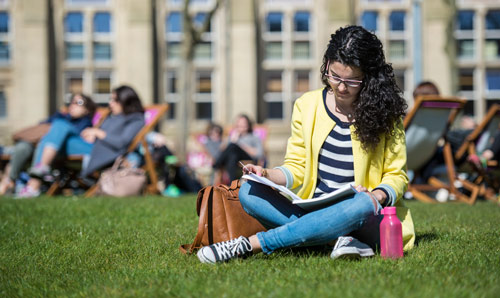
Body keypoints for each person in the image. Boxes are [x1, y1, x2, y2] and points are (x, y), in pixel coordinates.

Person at [197, 25, 415, 264]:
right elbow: (297, 167)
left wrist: (377, 196)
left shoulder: (387, 114)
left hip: (365, 214)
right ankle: (334, 239)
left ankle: (251, 244)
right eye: (335, 76)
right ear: (327, 66)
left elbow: (397, 176)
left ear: (369, 77)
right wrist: (267, 173)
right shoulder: (307, 105)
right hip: (314, 208)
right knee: (248, 190)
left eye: (352, 80)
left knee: (361, 204)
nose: (341, 87)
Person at [17, 85, 144, 198]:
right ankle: (37, 178)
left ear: (126, 101)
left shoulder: (135, 119)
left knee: (60, 126)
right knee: (58, 129)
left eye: (115, 100)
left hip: (103, 154)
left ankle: (35, 181)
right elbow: (101, 135)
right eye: (110, 99)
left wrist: (98, 133)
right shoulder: (112, 116)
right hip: (92, 147)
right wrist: (91, 134)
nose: (110, 103)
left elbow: (122, 143)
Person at [1, 93, 96, 197]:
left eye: (79, 103)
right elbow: (41, 126)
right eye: (71, 102)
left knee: (60, 126)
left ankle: (36, 178)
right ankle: (8, 182)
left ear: (87, 109)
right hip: (51, 149)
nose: (73, 105)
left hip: (80, 149)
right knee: (23, 146)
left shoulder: (86, 123)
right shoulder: (60, 116)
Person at [213, 114, 264, 181]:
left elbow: (259, 154)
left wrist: (239, 144)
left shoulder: (253, 137)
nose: (241, 126)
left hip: (247, 157)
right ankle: (233, 184)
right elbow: (221, 150)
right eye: (239, 124)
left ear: (248, 125)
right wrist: (231, 139)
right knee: (233, 155)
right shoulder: (233, 136)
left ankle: (217, 164)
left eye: (244, 123)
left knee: (233, 146)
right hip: (234, 158)